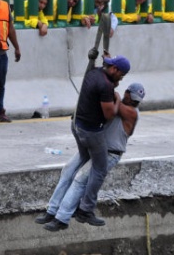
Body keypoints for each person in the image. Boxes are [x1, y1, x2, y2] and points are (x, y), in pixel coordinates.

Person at [38, 83, 145, 231]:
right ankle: (52, 210)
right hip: (95, 147)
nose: (134, 102)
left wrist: (113, 93)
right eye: (132, 98)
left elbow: (115, 105)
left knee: (80, 179)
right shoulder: (114, 104)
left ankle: (62, 218)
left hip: (110, 153)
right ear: (127, 92)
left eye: (136, 101)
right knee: (67, 171)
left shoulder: (132, 112)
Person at [63, 55, 129, 226]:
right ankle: (85, 210)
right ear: (114, 70)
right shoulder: (106, 86)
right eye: (121, 76)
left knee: (74, 167)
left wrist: (107, 57)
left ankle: (59, 210)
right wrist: (118, 100)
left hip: (78, 124)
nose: (120, 80)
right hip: (92, 131)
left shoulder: (93, 73)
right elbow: (109, 115)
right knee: (98, 170)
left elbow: (107, 62)